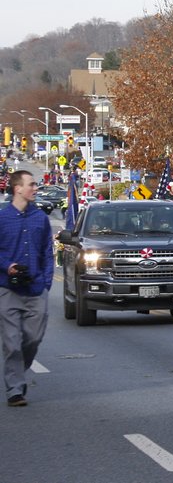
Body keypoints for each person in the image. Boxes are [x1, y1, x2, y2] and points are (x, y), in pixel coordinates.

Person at [0, 170, 54, 407]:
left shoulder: (40, 218)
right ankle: (15, 390)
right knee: (11, 342)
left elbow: (47, 254)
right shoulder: (2, 218)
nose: (35, 188)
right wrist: (8, 266)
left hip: (36, 289)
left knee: (32, 340)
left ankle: (17, 374)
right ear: (17, 188)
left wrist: (46, 283)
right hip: (8, 290)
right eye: (31, 184)